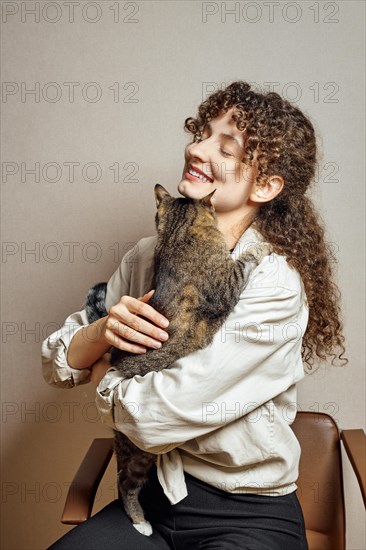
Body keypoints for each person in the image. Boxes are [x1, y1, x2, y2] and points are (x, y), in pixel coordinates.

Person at [41, 81, 347, 550]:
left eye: (223, 147)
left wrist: (102, 367)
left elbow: (152, 420)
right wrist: (103, 330)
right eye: (200, 133)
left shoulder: (273, 285)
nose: (195, 149)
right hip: (151, 500)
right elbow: (58, 364)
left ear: (265, 186)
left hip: (246, 514)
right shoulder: (145, 255)